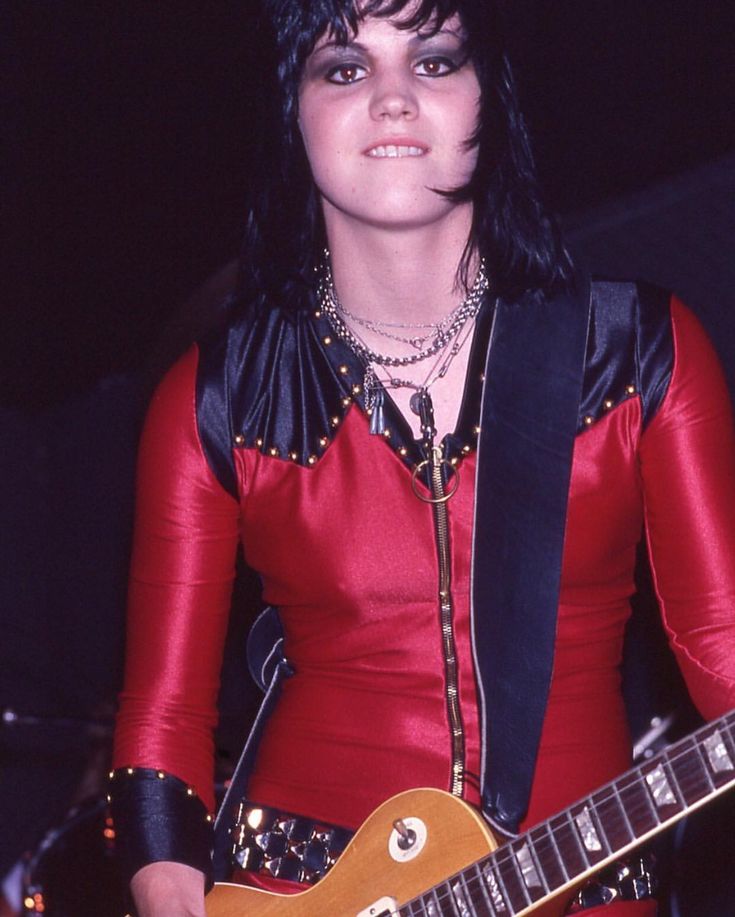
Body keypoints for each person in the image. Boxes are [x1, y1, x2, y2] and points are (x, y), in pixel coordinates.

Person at [110, 0, 735, 914]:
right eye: (345, 68)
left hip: (578, 887)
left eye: (435, 61)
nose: (394, 97)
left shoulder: (638, 350)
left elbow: (721, 647)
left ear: (494, 100)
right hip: (297, 889)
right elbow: (161, 722)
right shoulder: (216, 397)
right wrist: (170, 889)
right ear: (294, 113)